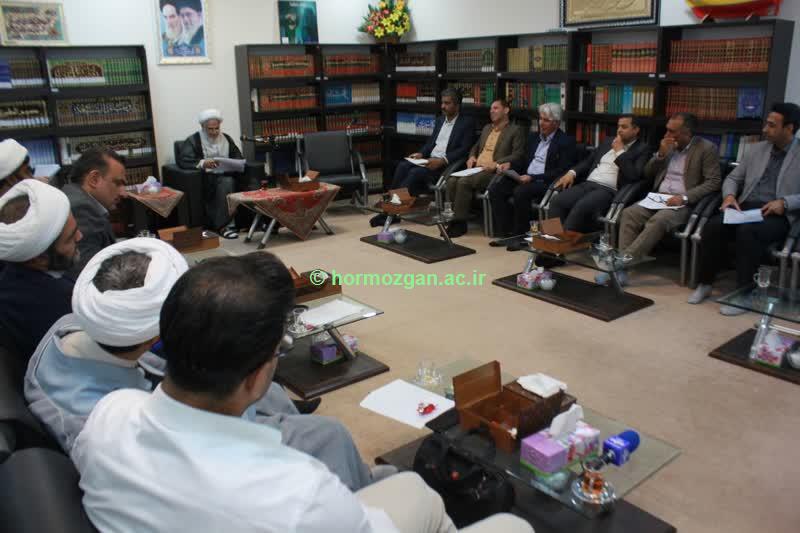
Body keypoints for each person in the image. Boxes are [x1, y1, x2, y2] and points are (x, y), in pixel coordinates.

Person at [72, 252, 532, 533]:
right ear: (256, 377)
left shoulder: (108, 414)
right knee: (511, 525)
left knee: (414, 488)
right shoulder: (298, 491)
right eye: (278, 351)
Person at [690, 102, 800, 314]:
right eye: (766, 124)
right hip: (746, 207)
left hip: (778, 213)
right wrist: (730, 196)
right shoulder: (756, 149)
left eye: (772, 125)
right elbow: (733, 178)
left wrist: (785, 202)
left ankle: (745, 294)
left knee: (748, 232)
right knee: (713, 226)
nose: (765, 129)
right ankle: (705, 283)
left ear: (789, 128)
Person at [611, 112, 721, 286]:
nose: (667, 134)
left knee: (659, 220)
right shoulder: (667, 145)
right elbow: (648, 173)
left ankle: (619, 264)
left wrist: (684, 197)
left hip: (683, 203)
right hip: (658, 198)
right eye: (667, 130)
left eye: (672, 131)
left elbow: (713, 182)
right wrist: (660, 155)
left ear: (687, 133)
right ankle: (622, 270)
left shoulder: (706, 149)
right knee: (629, 213)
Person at [0, 180, 82, 363]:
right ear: (39, 259)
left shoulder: (13, 274)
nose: (80, 236)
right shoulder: (55, 303)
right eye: (70, 238)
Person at [370, 88, 475, 227]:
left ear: (457, 105)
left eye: (447, 103)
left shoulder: (466, 123)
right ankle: (390, 211)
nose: (443, 106)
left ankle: (391, 213)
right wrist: (420, 154)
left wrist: (443, 160)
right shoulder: (440, 120)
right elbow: (430, 143)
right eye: (442, 103)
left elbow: (464, 149)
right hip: (429, 160)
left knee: (415, 173)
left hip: (444, 166)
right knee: (402, 166)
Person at [488, 103, 576, 243]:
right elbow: (524, 160)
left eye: (546, 120)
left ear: (557, 123)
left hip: (544, 181)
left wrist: (533, 177)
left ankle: (521, 235)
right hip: (524, 176)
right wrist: (510, 165)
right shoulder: (533, 137)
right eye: (540, 119)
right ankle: (505, 232)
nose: (541, 123)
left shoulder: (566, 141)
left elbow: (561, 171)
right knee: (496, 189)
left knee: (520, 192)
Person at [548, 114, 650, 233]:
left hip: (608, 190)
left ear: (636, 130)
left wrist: (619, 152)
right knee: (557, 201)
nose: (619, 130)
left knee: (582, 206)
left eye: (624, 127)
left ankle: (564, 241)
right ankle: (552, 238)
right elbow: (588, 161)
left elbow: (634, 175)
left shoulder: (642, 149)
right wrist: (572, 173)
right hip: (588, 184)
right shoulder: (608, 141)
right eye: (618, 126)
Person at [445, 99, 526, 238]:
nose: (491, 111)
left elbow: (518, 154)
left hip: (493, 171)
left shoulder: (515, 130)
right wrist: (472, 157)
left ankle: (460, 223)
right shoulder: (487, 128)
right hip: (476, 168)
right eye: (491, 109)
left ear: (506, 110)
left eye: (495, 108)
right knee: (452, 180)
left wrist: (496, 163)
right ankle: (453, 219)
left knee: (464, 182)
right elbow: (475, 147)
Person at [177, 108, 246, 239]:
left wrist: (234, 163)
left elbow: (237, 157)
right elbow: (183, 161)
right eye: (210, 129)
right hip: (205, 178)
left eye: (216, 128)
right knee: (227, 183)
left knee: (250, 180)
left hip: (227, 174)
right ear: (202, 127)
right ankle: (223, 226)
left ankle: (257, 221)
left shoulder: (226, 138)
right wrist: (203, 163)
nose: (214, 132)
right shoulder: (193, 140)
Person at [63, 147, 127, 280]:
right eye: (117, 183)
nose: (123, 193)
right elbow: (92, 273)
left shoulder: (72, 194)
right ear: (94, 179)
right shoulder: (81, 209)